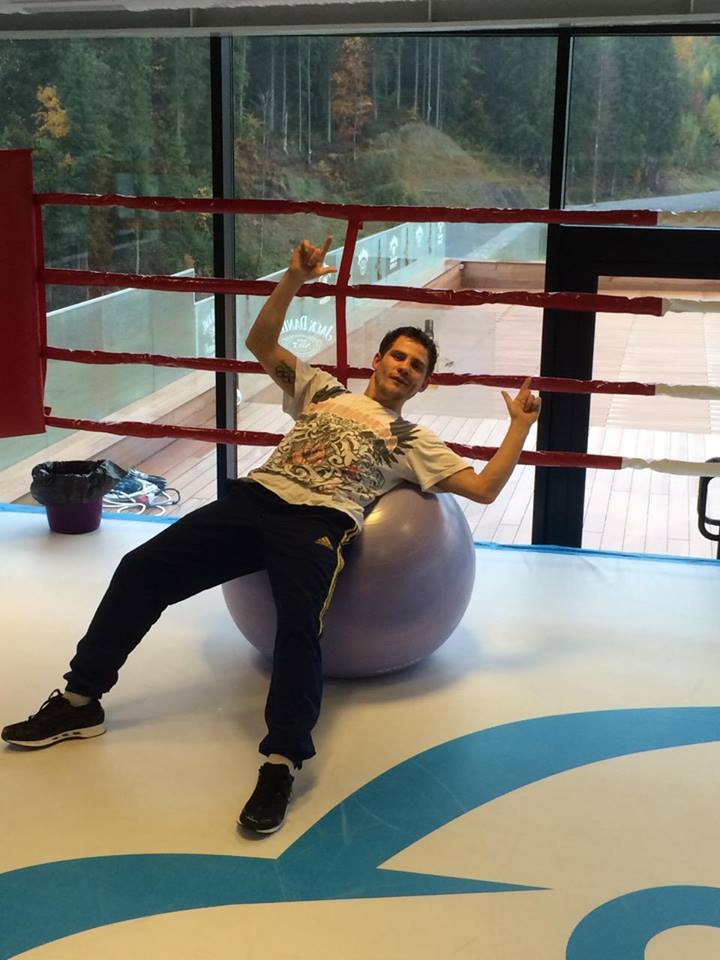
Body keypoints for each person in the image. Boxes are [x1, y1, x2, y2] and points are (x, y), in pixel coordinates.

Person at [1, 237, 541, 834]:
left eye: (416, 366)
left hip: (317, 523)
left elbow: (484, 488)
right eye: (398, 356)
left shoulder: (414, 440)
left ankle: (281, 763)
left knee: (298, 626)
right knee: (139, 569)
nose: (404, 368)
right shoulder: (322, 390)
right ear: (377, 360)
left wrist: (519, 427)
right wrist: (293, 279)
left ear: (423, 385)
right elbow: (260, 343)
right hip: (255, 499)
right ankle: (80, 702)